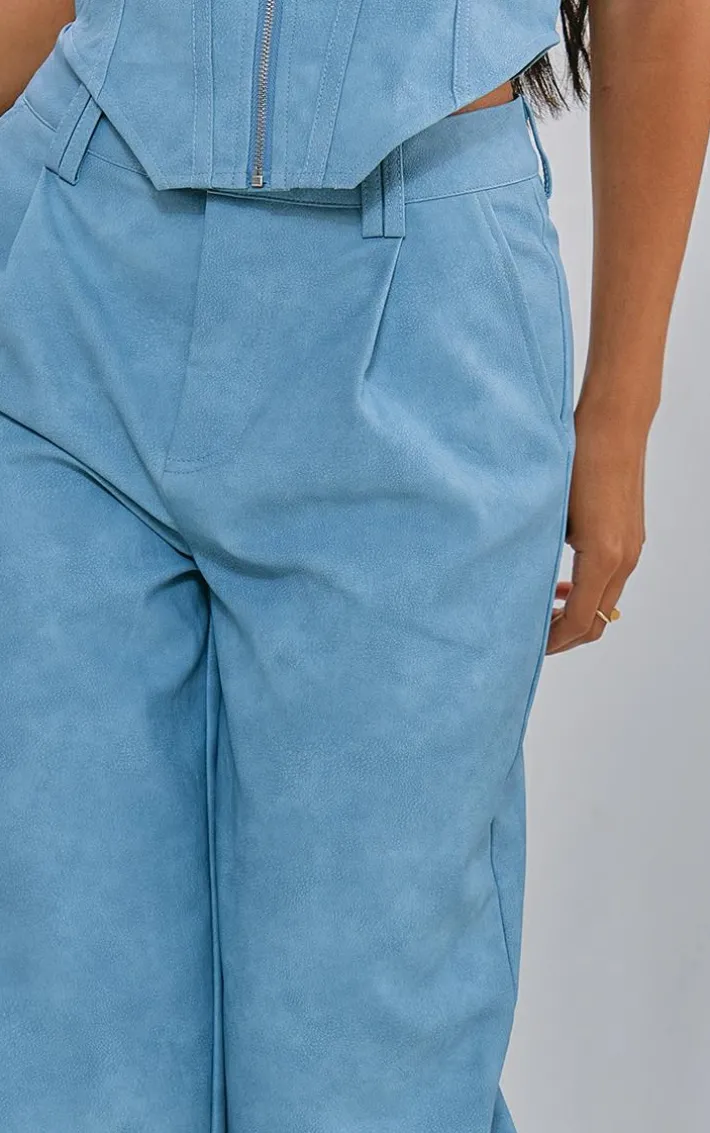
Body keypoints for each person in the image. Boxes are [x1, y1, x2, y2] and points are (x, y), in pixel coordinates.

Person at [0, 2, 708, 1131]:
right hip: (71, 288)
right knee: (60, 1045)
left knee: (365, 1074)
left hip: (423, 320)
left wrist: (617, 417)